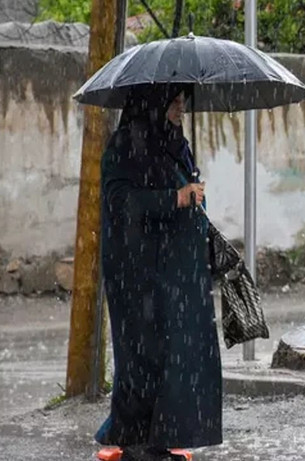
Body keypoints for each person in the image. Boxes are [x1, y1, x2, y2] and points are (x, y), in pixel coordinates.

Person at [95, 84, 222, 461]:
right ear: (152, 104)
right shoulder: (124, 146)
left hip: (172, 271)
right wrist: (175, 197)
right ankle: (135, 442)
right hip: (137, 271)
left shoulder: (174, 143)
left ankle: (161, 439)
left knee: (174, 356)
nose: (181, 109)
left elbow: (182, 191)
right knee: (141, 356)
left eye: (183, 101)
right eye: (174, 102)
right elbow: (120, 201)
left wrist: (192, 195)